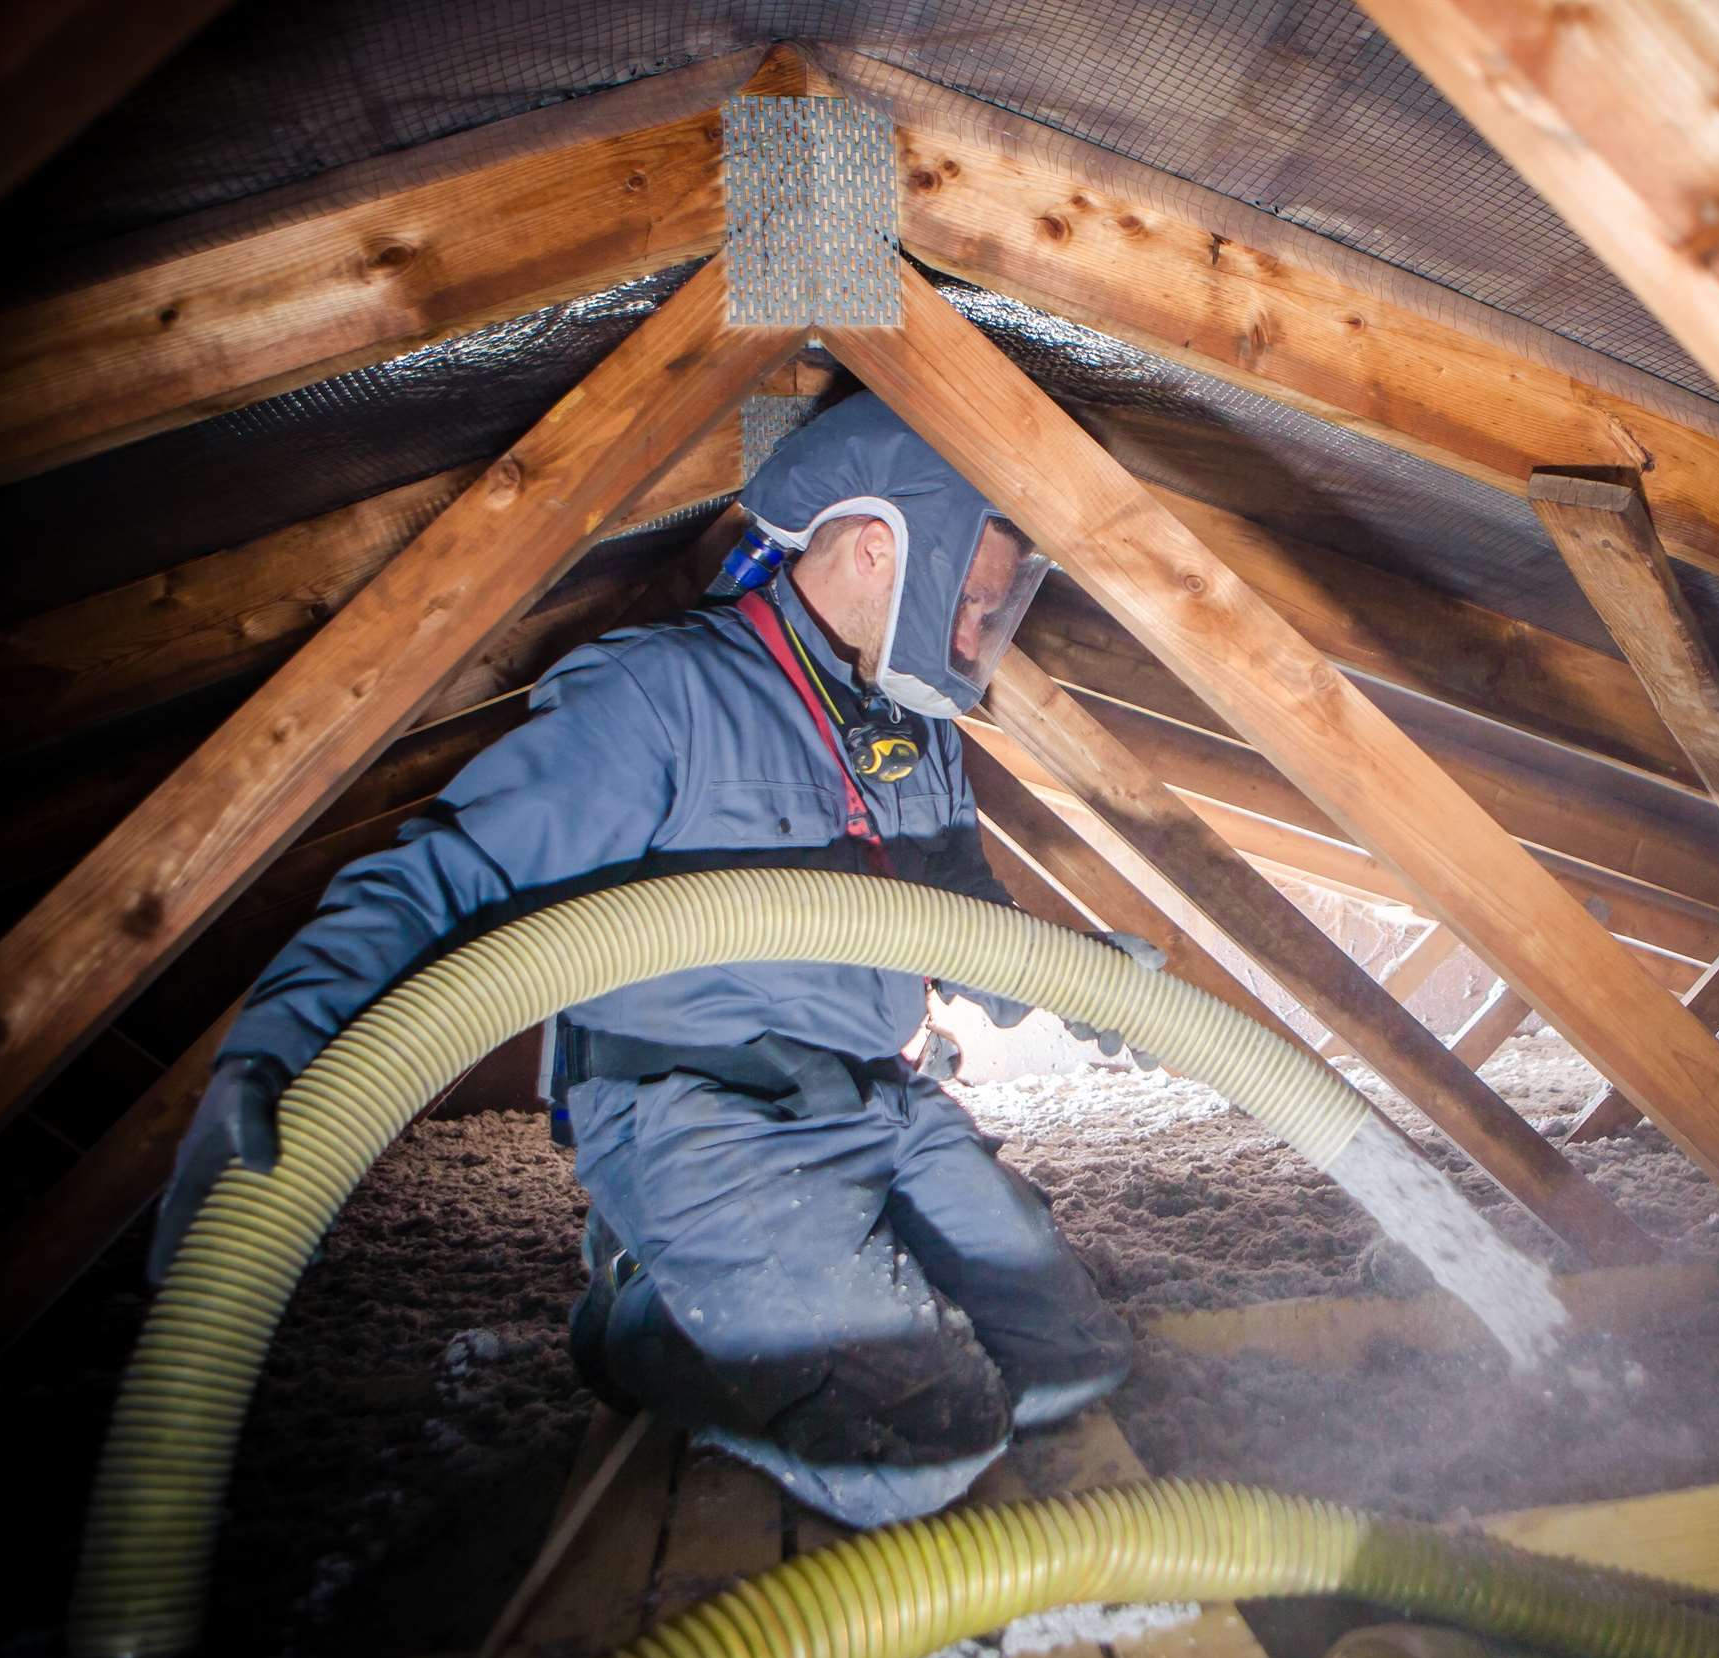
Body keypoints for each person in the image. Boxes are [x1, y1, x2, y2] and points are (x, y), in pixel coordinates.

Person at [148, 393, 1135, 1525]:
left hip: (879, 1097)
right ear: (878, 547)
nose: (976, 640)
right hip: (699, 1118)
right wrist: (276, 1044)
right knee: (916, 1450)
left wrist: (1083, 977)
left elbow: (959, 911)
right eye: (971, 605)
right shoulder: (655, 692)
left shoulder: (915, 733)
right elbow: (448, 872)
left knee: (1074, 1364)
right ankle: (642, 1323)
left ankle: (797, 1286)